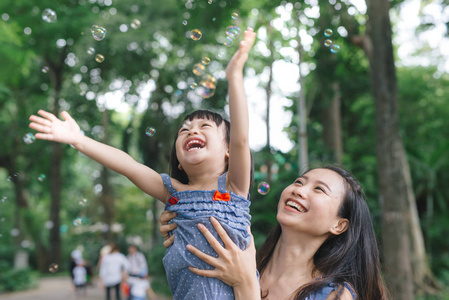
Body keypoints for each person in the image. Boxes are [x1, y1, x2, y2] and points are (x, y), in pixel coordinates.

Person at [28, 28, 257, 300]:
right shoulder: (173, 194)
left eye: (204, 126)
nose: (192, 131)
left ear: (229, 152)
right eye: (184, 130)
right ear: (180, 163)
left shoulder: (234, 189)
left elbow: (241, 138)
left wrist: (234, 76)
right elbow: (129, 165)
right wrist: (80, 140)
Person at [160, 165, 389, 299]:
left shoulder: (336, 296)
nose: (299, 190)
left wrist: (245, 286)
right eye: (299, 182)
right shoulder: (239, 260)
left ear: (339, 225)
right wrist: (183, 226)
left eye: (319, 189)